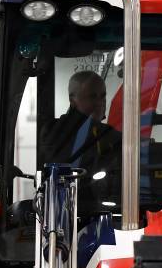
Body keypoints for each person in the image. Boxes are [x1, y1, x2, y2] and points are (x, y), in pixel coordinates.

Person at [39, 71, 121, 213]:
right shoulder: (54, 132)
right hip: (65, 211)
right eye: (92, 96)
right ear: (72, 100)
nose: (100, 102)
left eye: (103, 96)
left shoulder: (110, 135)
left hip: (103, 210)